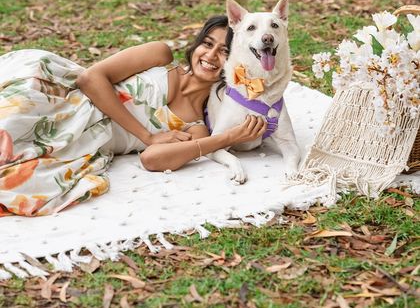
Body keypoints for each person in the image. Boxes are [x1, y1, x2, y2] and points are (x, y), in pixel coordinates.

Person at [0, 16, 266, 217]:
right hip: (65, 102)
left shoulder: (195, 127)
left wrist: (227, 137)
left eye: (224, 52)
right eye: (207, 44)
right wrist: (147, 135)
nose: (210, 55)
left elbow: (151, 160)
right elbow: (90, 78)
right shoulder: (160, 56)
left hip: (84, 143)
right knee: (14, 118)